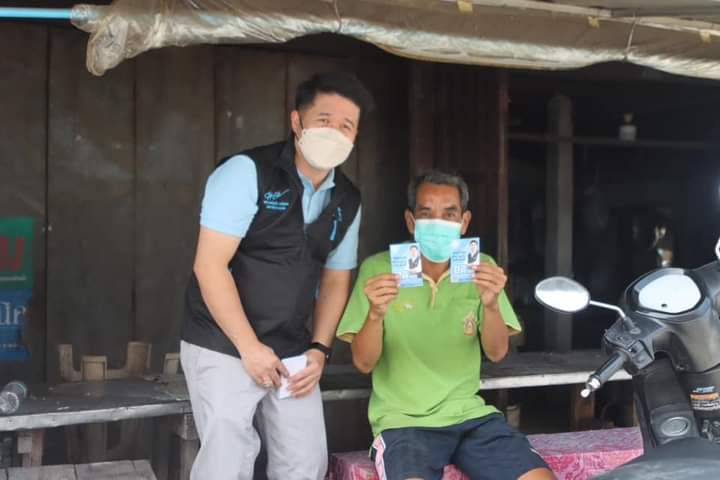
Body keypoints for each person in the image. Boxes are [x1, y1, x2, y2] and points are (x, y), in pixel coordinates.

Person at [181, 72, 373, 480]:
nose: (334, 133)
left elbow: (336, 280)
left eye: (346, 126)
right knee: (227, 458)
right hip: (223, 341)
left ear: (356, 136)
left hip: (291, 346)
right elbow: (209, 265)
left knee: (305, 462)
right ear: (297, 121)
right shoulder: (247, 172)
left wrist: (319, 349)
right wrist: (249, 347)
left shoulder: (348, 199)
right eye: (324, 120)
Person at [337, 171, 556, 480]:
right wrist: (375, 314)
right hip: (404, 423)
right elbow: (363, 363)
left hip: (470, 416)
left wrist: (491, 304)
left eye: (449, 214)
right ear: (411, 221)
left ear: (464, 222)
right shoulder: (380, 271)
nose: (438, 222)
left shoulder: (482, 268)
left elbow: (496, 353)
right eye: (426, 213)